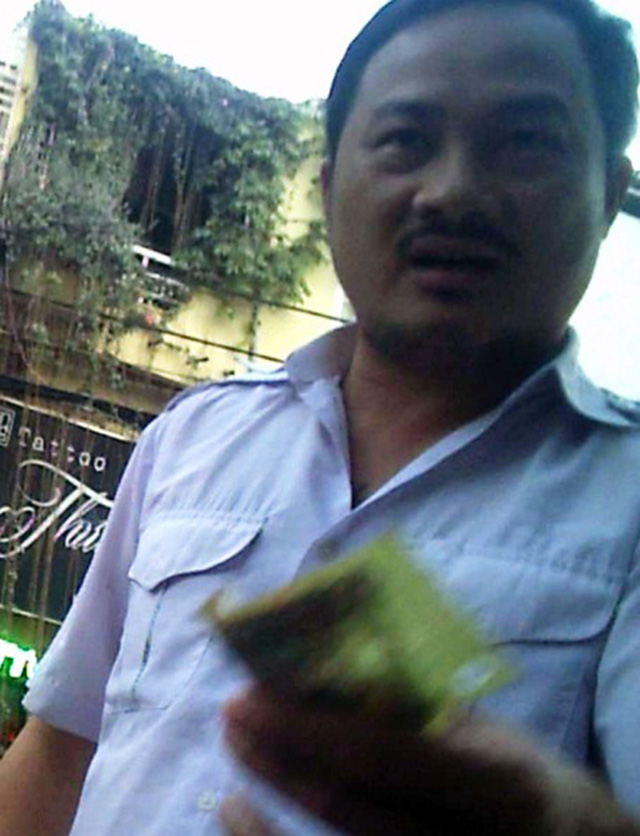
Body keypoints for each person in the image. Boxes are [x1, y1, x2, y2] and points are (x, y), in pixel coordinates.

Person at [0, 0, 639, 834]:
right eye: (406, 139)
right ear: (334, 187)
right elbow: (60, 751)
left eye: (524, 142)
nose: (451, 191)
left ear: (607, 194)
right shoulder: (192, 436)